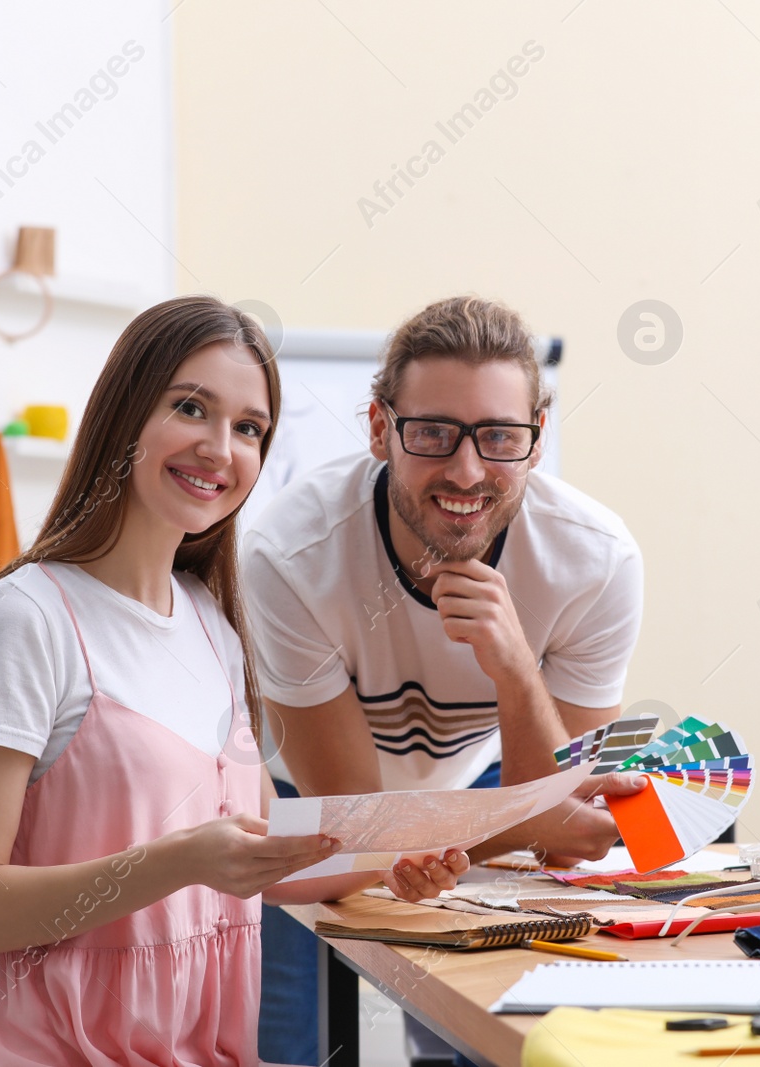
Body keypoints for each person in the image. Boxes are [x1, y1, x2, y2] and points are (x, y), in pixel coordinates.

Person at [0, 296, 469, 1066]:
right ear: (125, 415)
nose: (222, 448)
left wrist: (395, 860)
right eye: (191, 407)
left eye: (250, 428)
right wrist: (179, 861)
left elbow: (259, 853)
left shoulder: (211, 620)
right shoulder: (23, 621)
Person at [244, 295, 646, 1064]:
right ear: (378, 429)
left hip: (479, 778)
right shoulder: (290, 555)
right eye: (432, 433)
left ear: (536, 440)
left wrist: (519, 673)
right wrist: (529, 821)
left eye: (499, 436)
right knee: (286, 1044)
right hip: (305, 796)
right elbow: (356, 821)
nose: (467, 470)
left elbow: (555, 830)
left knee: (483, 1029)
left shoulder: (596, 560)